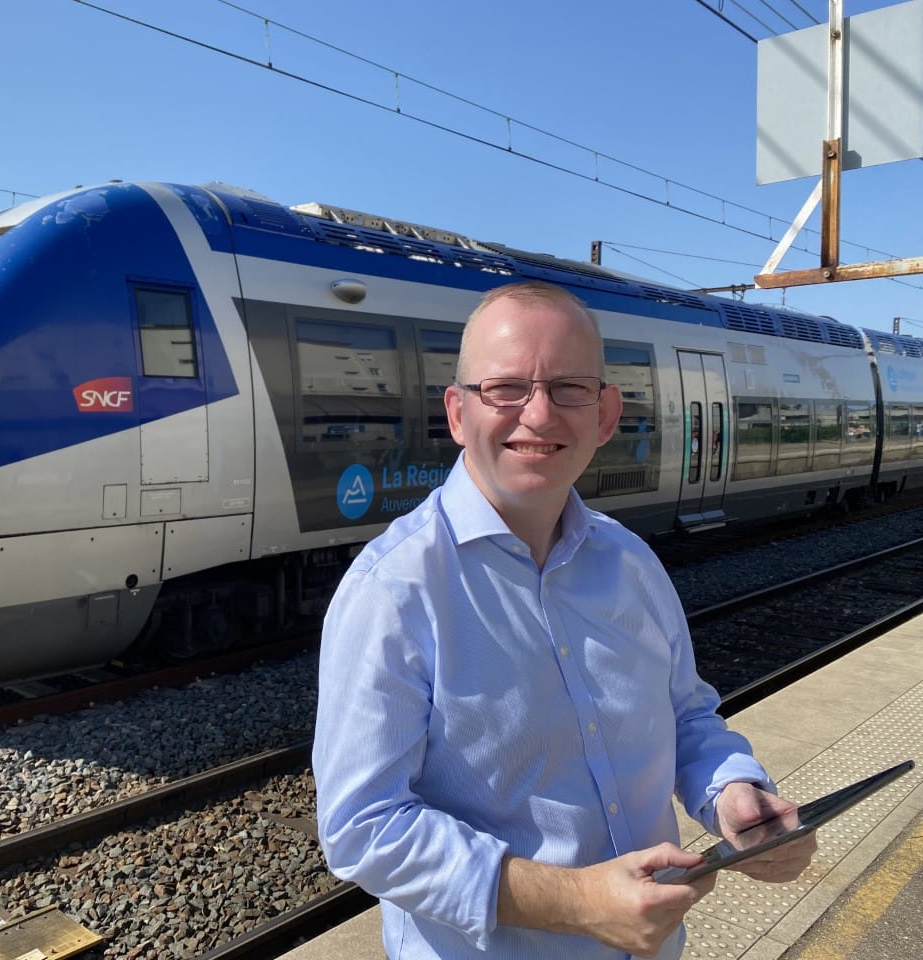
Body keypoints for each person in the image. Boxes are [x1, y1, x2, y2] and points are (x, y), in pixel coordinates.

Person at [313, 281, 815, 959]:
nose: (540, 414)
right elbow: (363, 828)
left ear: (606, 415)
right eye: (506, 388)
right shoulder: (395, 590)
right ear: (458, 413)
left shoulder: (631, 563)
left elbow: (688, 719)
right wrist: (577, 903)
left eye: (570, 388)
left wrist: (734, 795)